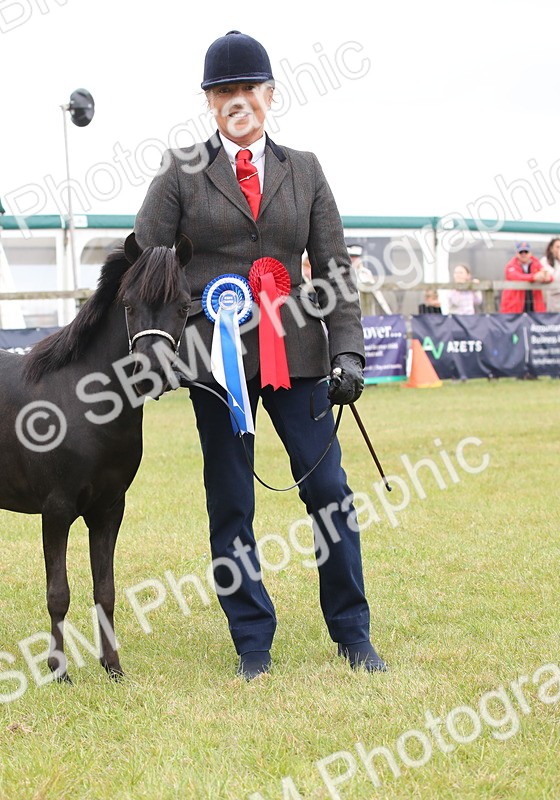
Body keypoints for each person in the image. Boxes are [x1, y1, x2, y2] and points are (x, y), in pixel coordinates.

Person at [135, 30, 387, 680]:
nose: (236, 101)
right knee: (231, 503)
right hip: (215, 366)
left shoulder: (305, 169)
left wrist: (349, 351)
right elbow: (144, 258)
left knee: (330, 492)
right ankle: (252, 642)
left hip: (299, 358)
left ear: (269, 95)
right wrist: (161, 341)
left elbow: (333, 268)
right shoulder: (181, 171)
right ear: (209, 102)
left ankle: (352, 633)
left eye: (247, 89)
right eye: (223, 92)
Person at [499, 240, 553, 313]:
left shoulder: (536, 263)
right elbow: (516, 277)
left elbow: (548, 276)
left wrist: (546, 277)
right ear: (517, 254)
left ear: (530, 253)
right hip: (515, 308)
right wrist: (534, 277)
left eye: (526, 252)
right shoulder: (510, 266)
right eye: (521, 252)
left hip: (534, 307)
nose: (523, 254)